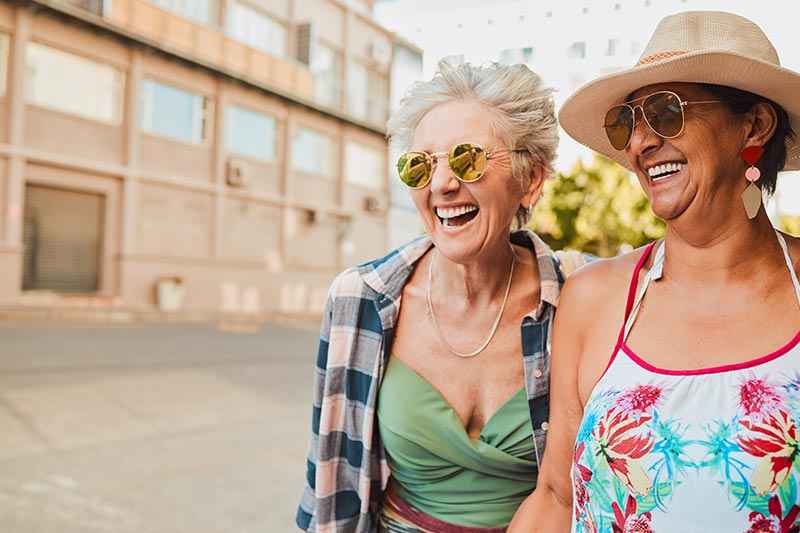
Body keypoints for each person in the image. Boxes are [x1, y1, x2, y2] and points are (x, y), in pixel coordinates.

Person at [508, 10, 800, 533]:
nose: (639, 143)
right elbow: (555, 498)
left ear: (754, 124)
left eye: (667, 112)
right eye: (627, 121)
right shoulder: (591, 299)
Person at [297, 61, 574, 532]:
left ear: (530, 180)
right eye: (419, 165)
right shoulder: (361, 298)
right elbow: (330, 479)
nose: (442, 184)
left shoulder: (579, 300)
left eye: (468, 158)